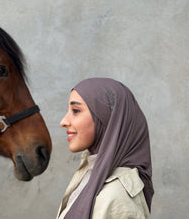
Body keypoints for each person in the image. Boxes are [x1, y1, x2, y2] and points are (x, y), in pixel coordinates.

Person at [57, 78, 154, 219]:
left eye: (76, 111)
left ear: (106, 117)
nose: (63, 122)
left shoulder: (116, 197)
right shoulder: (90, 174)